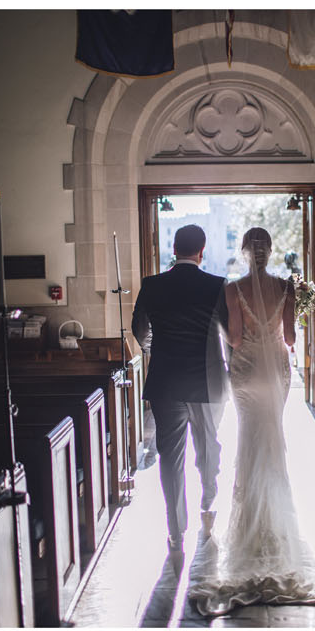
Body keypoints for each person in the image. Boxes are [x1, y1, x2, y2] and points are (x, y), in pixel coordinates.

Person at [183, 227, 315, 616]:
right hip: (275, 374)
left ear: (244, 252)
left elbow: (235, 338)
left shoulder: (232, 290)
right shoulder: (286, 288)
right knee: (273, 438)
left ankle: (250, 521)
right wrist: (287, 318)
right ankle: (276, 519)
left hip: (246, 369)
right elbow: (289, 337)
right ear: (269, 252)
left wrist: (237, 334)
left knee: (249, 439)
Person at [132, 224, 229, 552]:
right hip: (207, 380)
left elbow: (139, 329)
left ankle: (176, 529)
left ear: (174, 249)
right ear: (202, 251)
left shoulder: (152, 285)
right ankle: (207, 508)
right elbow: (229, 333)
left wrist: (155, 351)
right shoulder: (216, 285)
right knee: (208, 447)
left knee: (169, 457)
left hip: (166, 380)